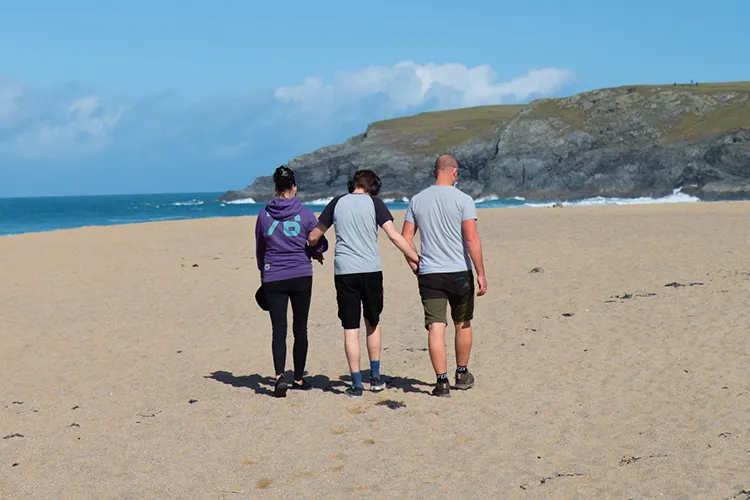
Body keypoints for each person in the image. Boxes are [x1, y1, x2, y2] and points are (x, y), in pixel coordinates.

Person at [308, 170, 420, 397]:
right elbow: (395, 237)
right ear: (373, 187)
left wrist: (314, 249)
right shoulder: (375, 203)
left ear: (353, 184)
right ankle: (376, 378)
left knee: (350, 328)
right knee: (373, 322)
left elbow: (313, 236)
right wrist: (418, 260)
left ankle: (356, 383)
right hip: (370, 270)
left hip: (345, 272)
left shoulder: (337, 203)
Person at [401, 154, 488, 398]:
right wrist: (481, 272)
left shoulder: (417, 200)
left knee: (435, 328)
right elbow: (471, 238)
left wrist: (414, 262)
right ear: (453, 171)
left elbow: (405, 238)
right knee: (463, 323)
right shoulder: (464, 199)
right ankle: (462, 373)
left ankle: (442, 382)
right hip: (459, 271)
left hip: (430, 273)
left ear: (435, 171)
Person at [255, 166, 328, 398]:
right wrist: (317, 251)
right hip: (301, 275)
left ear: (276, 189)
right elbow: (318, 241)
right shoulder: (306, 214)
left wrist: (263, 273)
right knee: (300, 329)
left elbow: (260, 249)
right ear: (294, 187)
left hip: (273, 276)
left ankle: (279, 378)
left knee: (279, 329)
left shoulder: (264, 215)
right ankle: (298, 377)